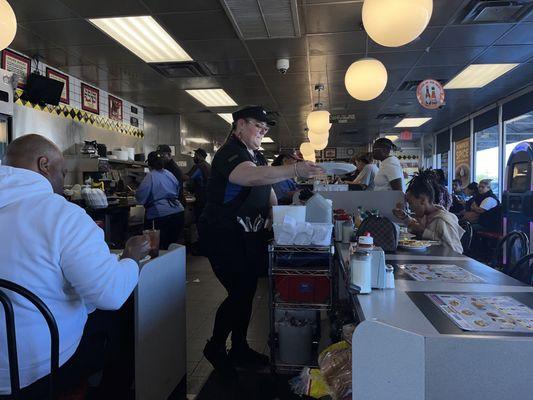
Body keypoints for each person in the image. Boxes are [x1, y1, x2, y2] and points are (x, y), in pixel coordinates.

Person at [0, 134, 150, 398]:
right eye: (63, 172)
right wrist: (130, 256)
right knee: (121, 313)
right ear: (44, 164)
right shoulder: (63, 215)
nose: (63, 181)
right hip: (35, 369)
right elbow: (110, 294)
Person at [198, 106, 323, 377]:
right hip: (223, 234)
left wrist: (275, 214)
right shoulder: (230, 152)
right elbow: (250, 177)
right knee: (239, 292)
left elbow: (266, 190)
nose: (263, 131)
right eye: (258, 126)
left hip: (247, 234)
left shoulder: (256, 155)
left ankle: (239, 347)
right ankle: (216, 347)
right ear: (240, 125)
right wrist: (295, 169)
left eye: (266, 128)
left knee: (248, 291)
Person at [393, 169, 465, 253]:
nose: (410, 208)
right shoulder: (426, 216)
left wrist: (423, 231)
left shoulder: (443, 220)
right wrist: (405, 218)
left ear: (423, 200)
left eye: (411, 203)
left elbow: (455, 251)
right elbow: (418, 229)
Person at [136, 151, 185, 250]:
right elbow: (177, 189)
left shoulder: (151, 176)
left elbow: (141, 196)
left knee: (156, 246)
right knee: (170, 245)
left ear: (149, 164)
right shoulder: (169, 174)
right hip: (178, 212)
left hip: (161, 215)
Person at [185, 148, 211, 222]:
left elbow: (187, 177)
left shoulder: (199, 167)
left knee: (199, 219)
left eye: (195, 155)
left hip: (201, 197)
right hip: (208, 197)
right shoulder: (208, 166)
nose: (194, 157)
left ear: (199, 156)